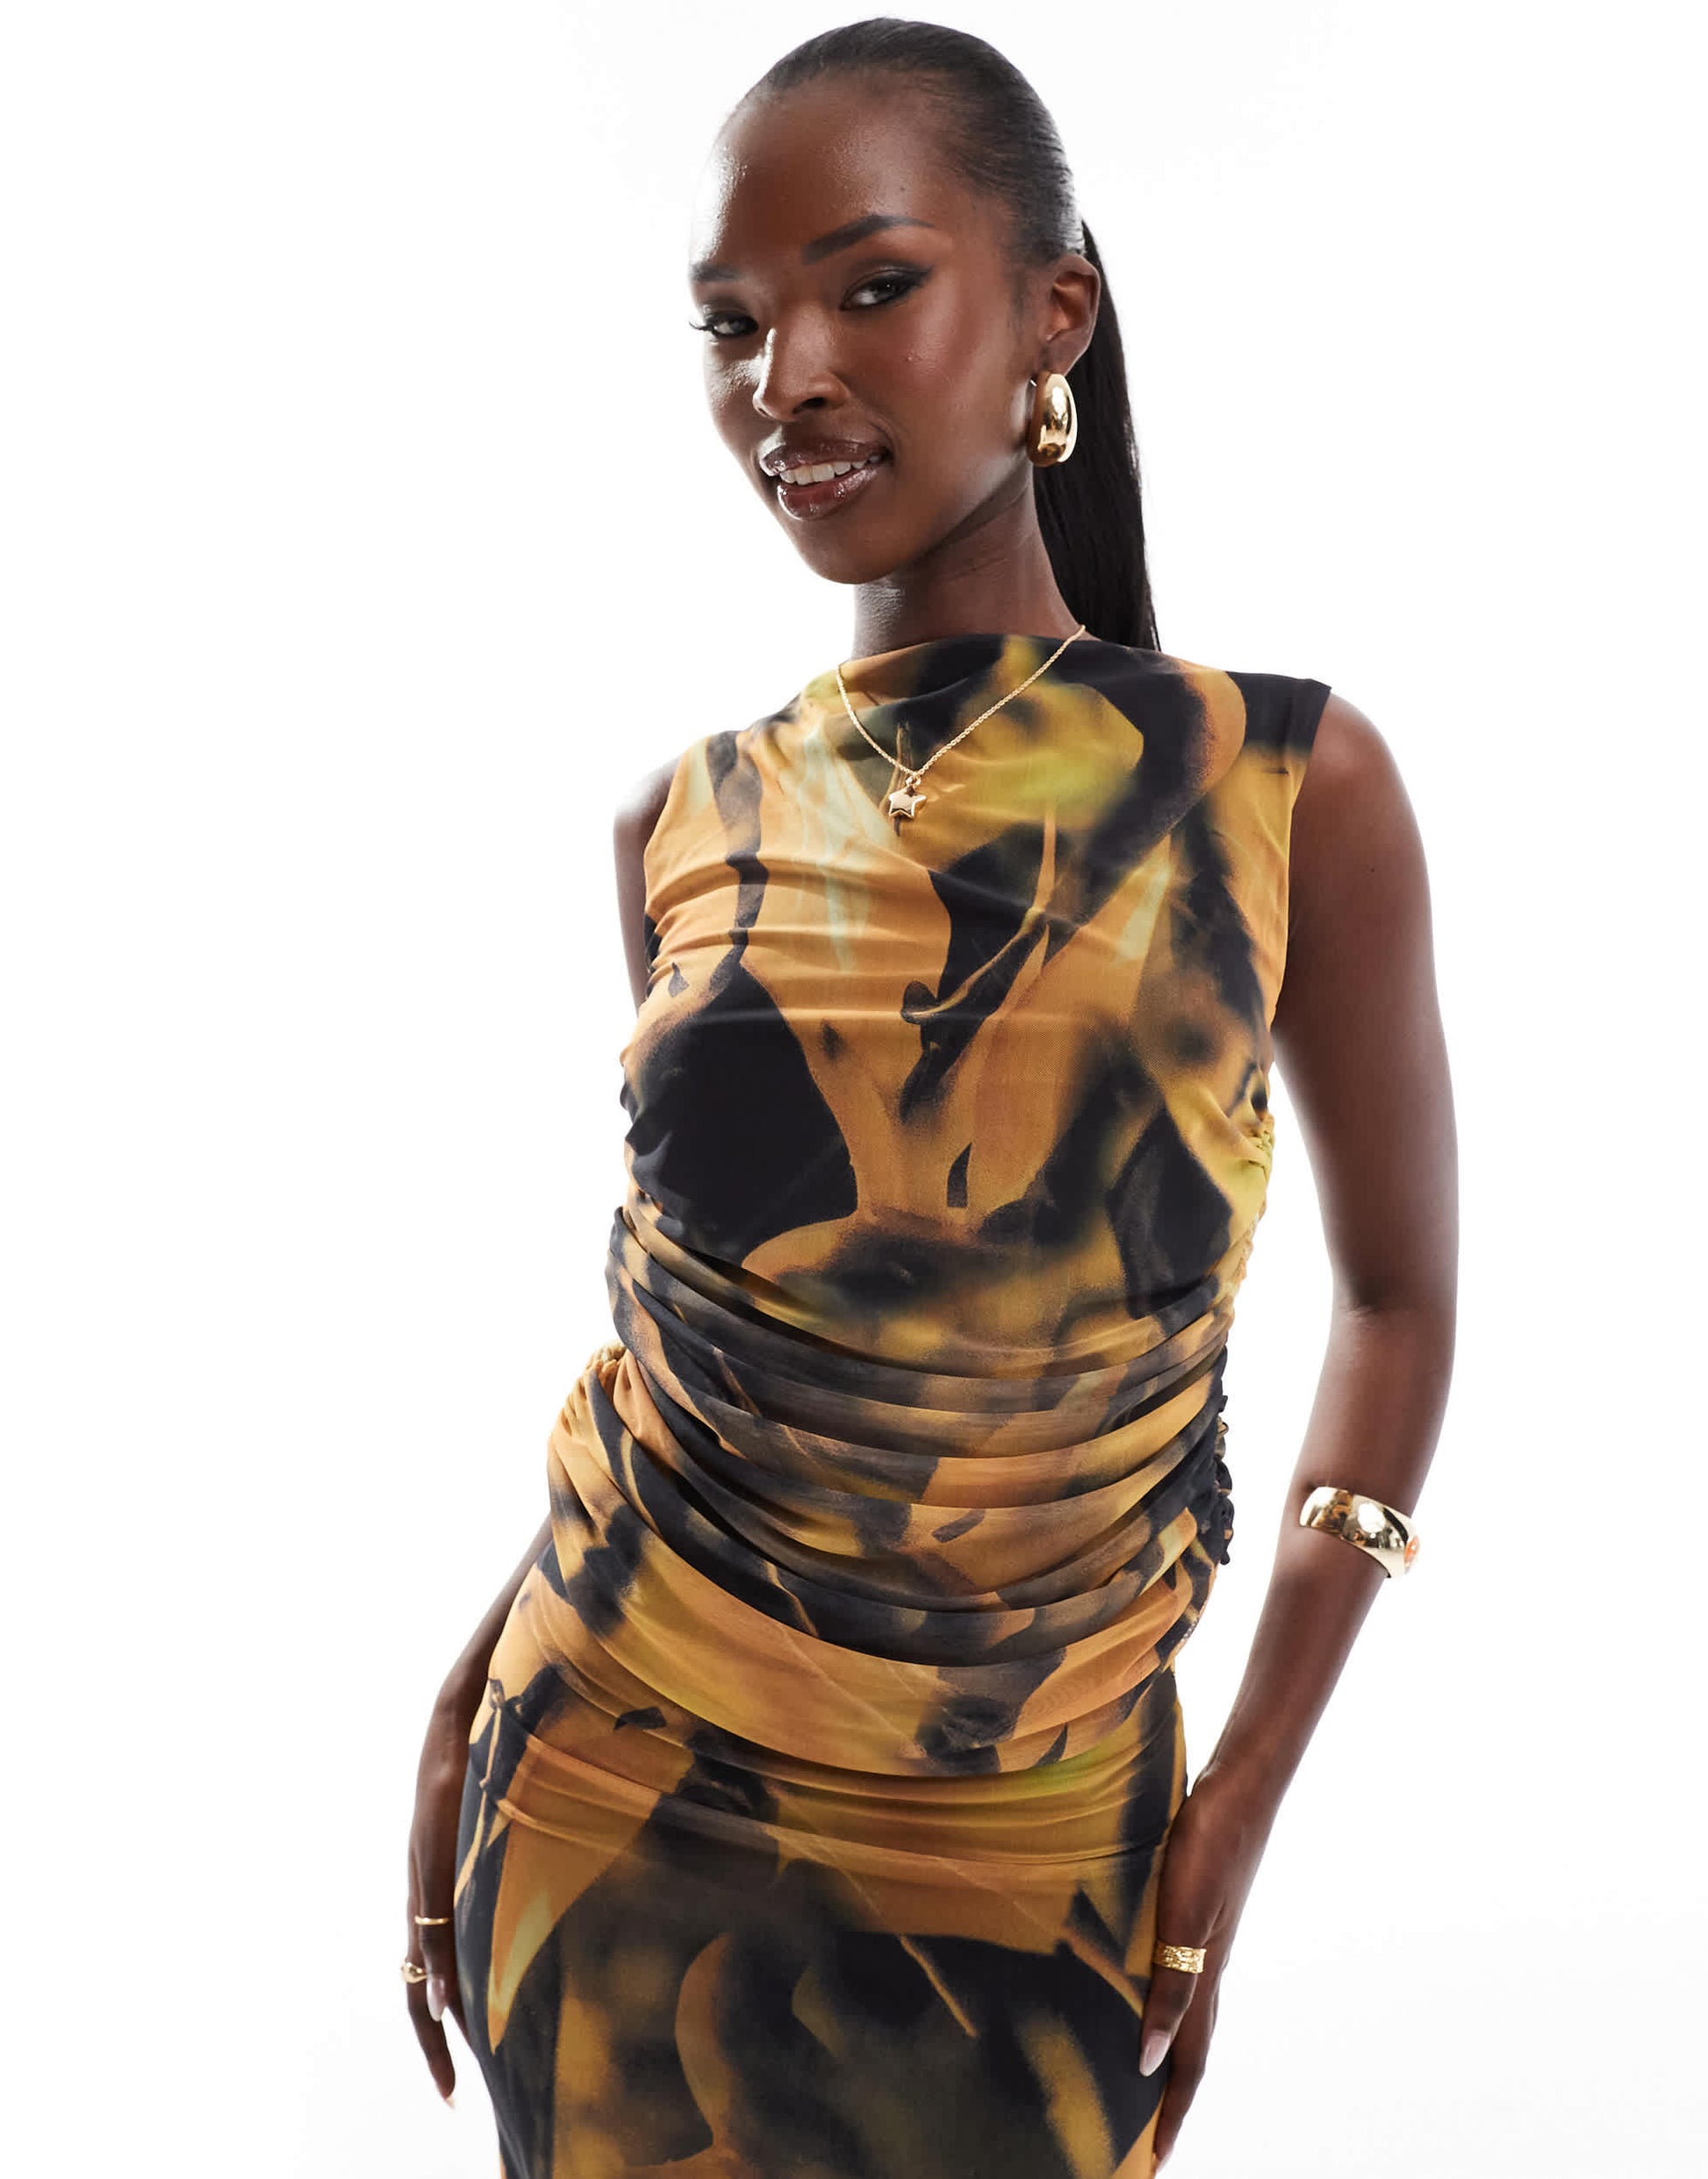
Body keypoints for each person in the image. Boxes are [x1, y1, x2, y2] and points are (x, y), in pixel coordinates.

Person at [403, 18, 1457, 2176]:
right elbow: (708, 1339)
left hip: (1038, 1857)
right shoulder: (679, 822)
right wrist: (468, 1676)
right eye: (731, 325)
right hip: (607, 1795)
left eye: (868, 287)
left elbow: (1396, 1304)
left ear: (1054, 312)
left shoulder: (1283, 785)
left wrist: (1243, 1795)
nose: (785, 376)